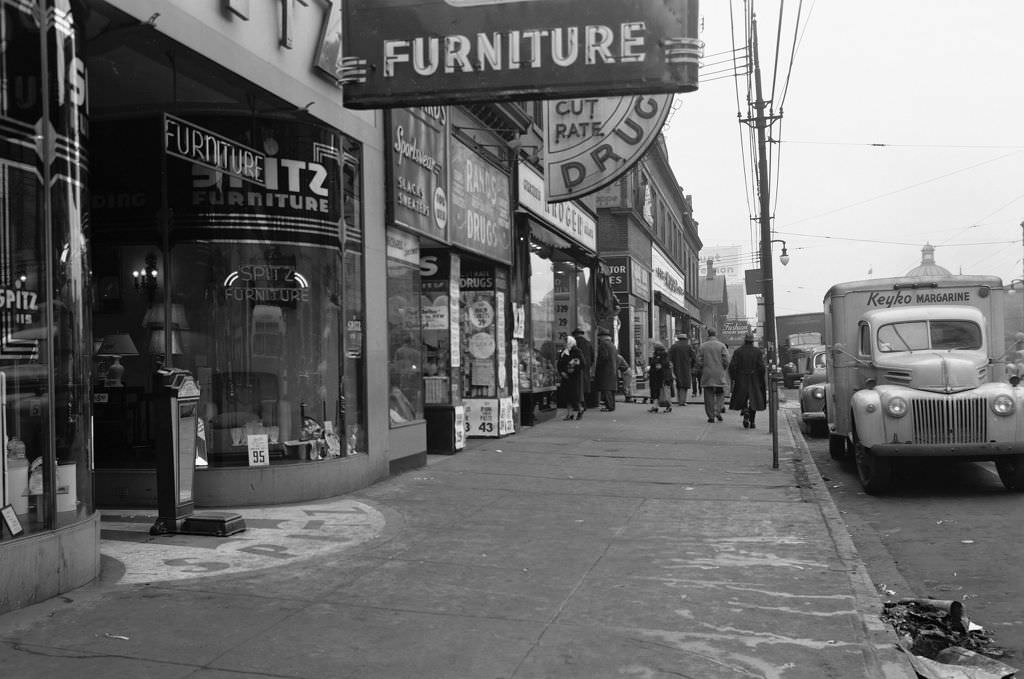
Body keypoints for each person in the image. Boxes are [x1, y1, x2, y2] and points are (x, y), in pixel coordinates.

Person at [729, 332, 767, 428]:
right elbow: (761, 367)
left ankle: (745, 411)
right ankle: (752, 421)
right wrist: (760, 378)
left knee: (743, 397)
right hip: (754, 378)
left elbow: (732, 366)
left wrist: (734, 377)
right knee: (753, 399)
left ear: (745, 340)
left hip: (741, 377)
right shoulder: (757, 352)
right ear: (752, 341)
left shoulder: (738, 351)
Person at [697, 329, 729, 423]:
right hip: (719, 373)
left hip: (707, 373)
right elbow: (726, 359)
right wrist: (723, 367)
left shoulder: (703, 346)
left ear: (708, 334)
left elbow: (699, 360)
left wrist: (704, 366)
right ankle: (718, 411)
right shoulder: (721, 345)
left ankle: (711, 416)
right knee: (720, 393)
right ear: (716, 334)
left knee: (708, 395)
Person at [557, 335, 584, 420]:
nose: (564, 344)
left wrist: (574, 369)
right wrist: (561, 372)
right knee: (567, 396)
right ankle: (569, 414)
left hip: (574, 377)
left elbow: (582, 363)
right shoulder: (563, 352)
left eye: (565, 342)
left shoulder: (576, 351)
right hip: (565, 377)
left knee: (574, 396)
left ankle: (580, 409)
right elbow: (559, 364)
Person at [594, 329, 619, 411]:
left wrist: (598, 365)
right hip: (612, 370)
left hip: (605, 370)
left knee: (606, 388)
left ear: (603, 337)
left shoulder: (603, 344)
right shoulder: (613, 345)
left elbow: (603, 357)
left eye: (599, 337)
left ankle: (609, 406)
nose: (599, 338)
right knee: (611, 389)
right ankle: (612, 406)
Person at [571, 328, 595, 411]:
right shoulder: (588, 343)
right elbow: (592, 356)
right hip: (586, 368)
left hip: (576, 368)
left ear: (575, 335)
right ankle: (584, 404)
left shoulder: (574, 344)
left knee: (576, 387)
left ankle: (578, 405)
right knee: (585, 386)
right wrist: (589, 365)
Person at [668, 332, 694, 407]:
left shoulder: (673, 346)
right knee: (685, 385)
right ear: (685, 339)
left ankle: (679, 400)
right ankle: (683, 401)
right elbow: (694, 356)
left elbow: (669, 357)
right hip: (686, 367)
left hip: (676, 367)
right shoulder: (688, 346)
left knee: (679, 384)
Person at [647, 342, 674, 413]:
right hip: (659, 377)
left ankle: (667, 406)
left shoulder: (661, 355)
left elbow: (659, 366)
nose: (653, 349)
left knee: (662, 392)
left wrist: (654, 367)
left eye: (654, 347)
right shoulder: (663, 355)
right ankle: (655, 406)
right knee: (658, 392)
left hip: (660, 377)